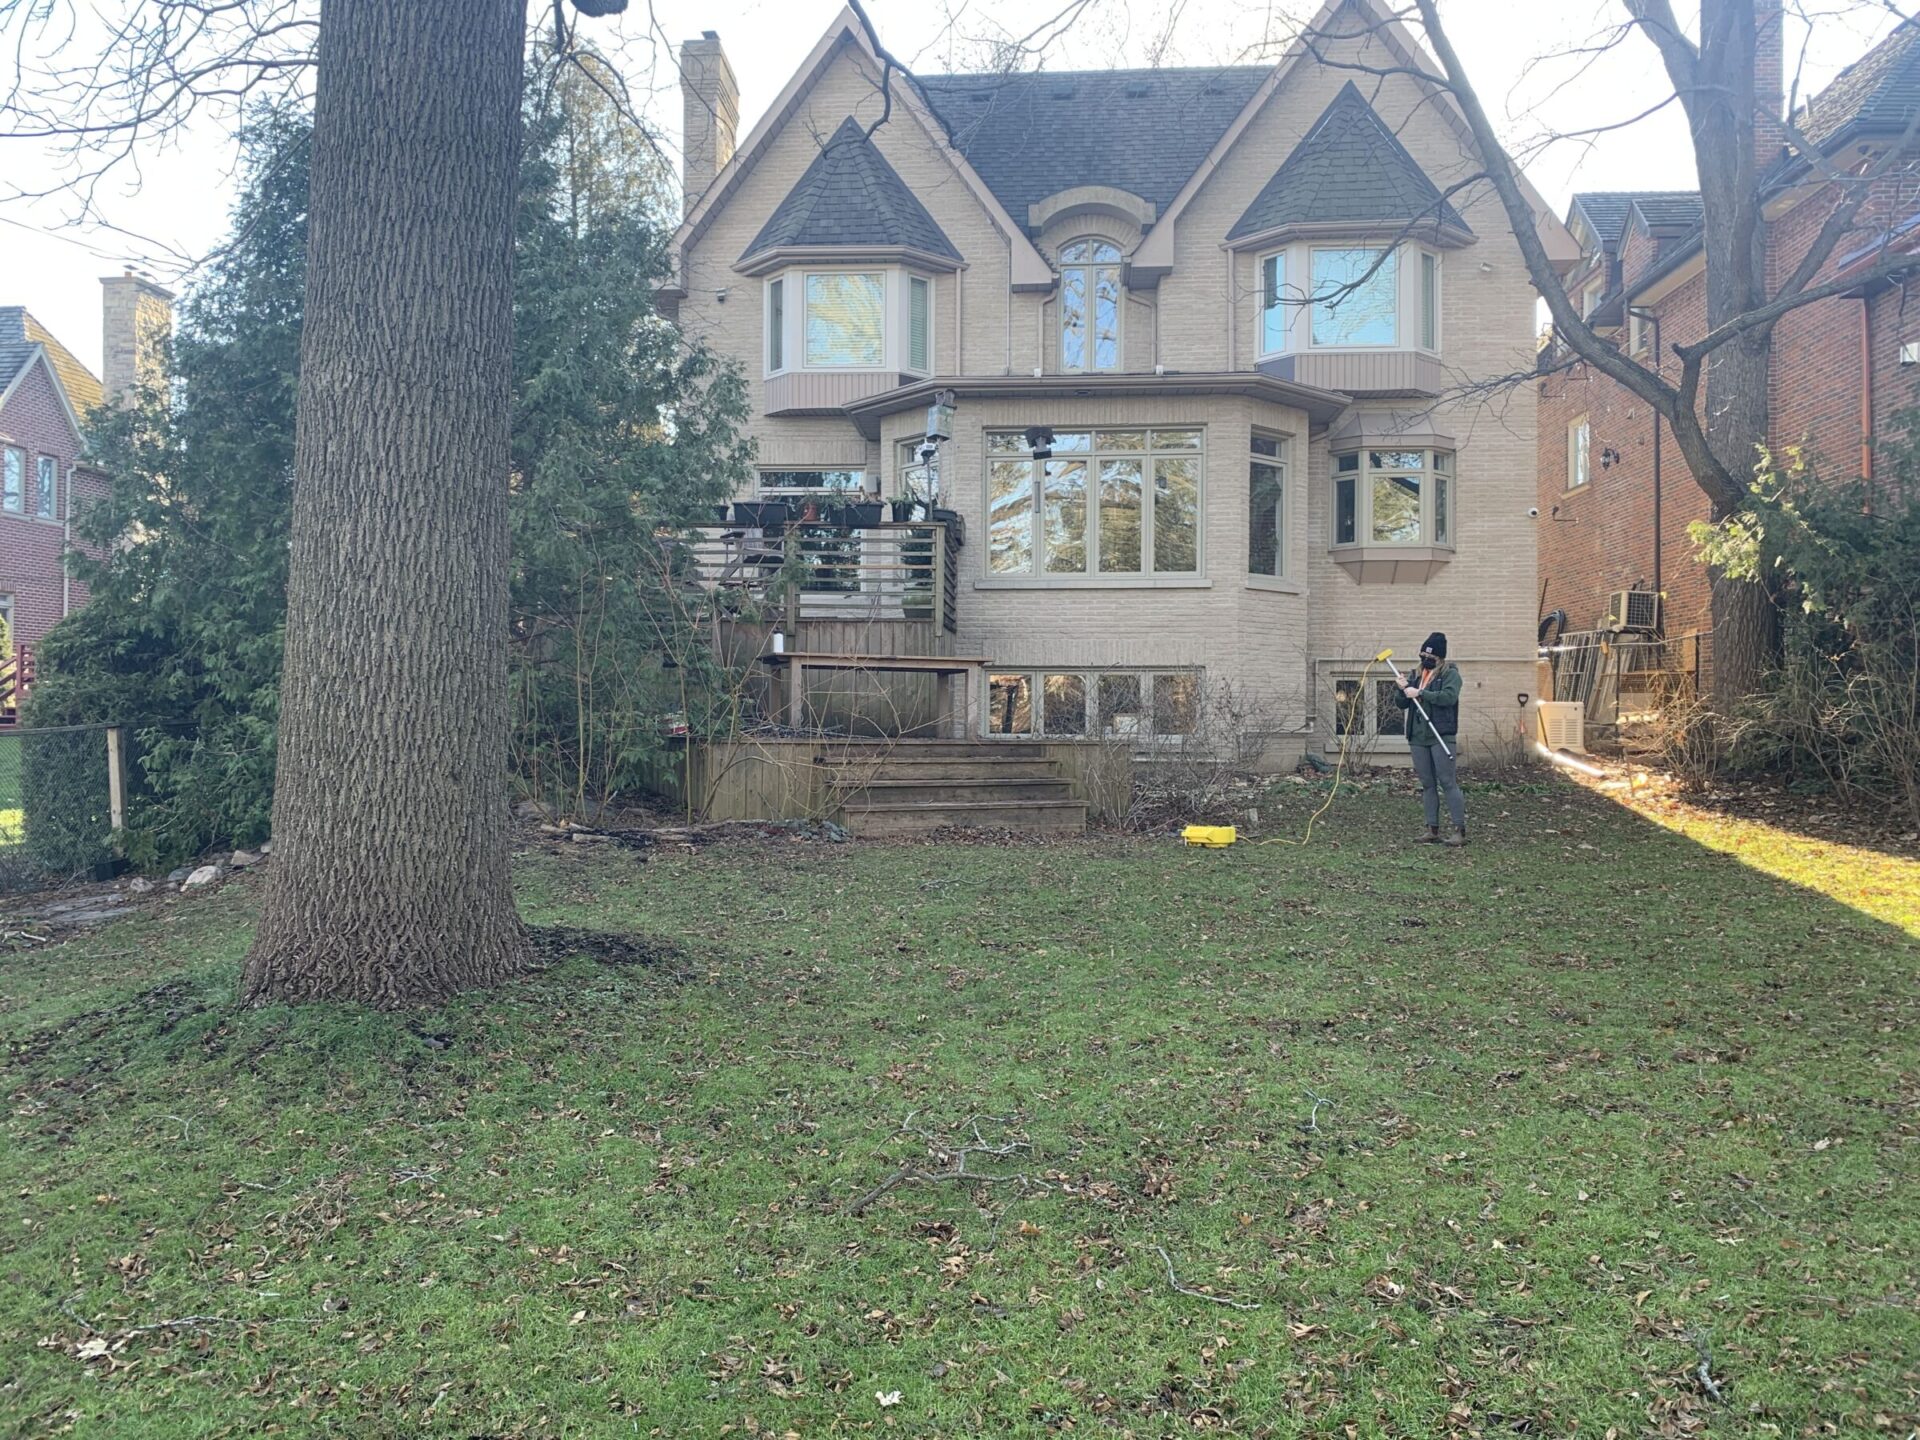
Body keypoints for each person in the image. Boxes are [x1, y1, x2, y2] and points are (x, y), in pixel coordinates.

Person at [1395, 631, 1466, 847]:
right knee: (1427, 784)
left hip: (1440, 735)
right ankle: (1432, 829)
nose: (1425, 661)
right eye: (1422, 655)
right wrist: (1402, 689)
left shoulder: (1450, 675)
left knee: (1447, 781)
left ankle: (1459, 830)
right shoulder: (1416, 675)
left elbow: (1448, 698)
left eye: (1430, 658)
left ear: (1439, 658)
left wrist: (1421, 694)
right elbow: (1402, 704)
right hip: (1418, 737)